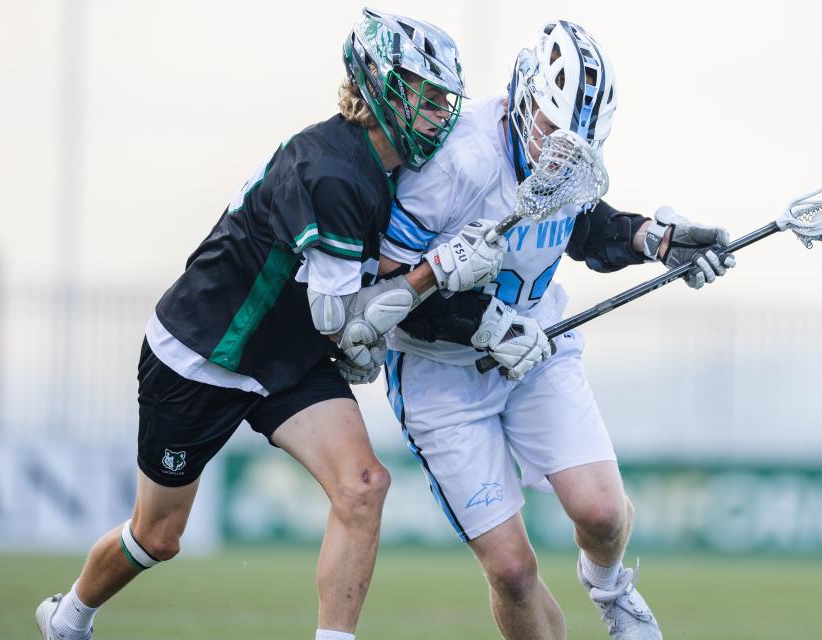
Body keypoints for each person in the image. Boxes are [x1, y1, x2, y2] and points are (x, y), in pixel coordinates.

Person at [35, 9, 505, 640]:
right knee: (160, 535)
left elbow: (355, 301)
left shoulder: (390, 171)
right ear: (380, 85)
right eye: (427, 96)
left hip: (286, 356)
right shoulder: (335, 169)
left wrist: (483, 319)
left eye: (445, 99)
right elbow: (340, 318)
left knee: (364, 487)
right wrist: (434, 272)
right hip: (204, 355)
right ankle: (69, 619)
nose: (439, 113)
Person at [379, 20, 735, 640]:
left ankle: (612, 590)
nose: (560, 154)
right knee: (514, 573)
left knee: (601, 514)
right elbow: (385, 288)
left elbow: (585, 229)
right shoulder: (455, 161)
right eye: (550, 130)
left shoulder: (565, 154)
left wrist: (656, 239)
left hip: (536, 344)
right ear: (523, 94)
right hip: (438, 373)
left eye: (579, 142)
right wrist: (481, 325)